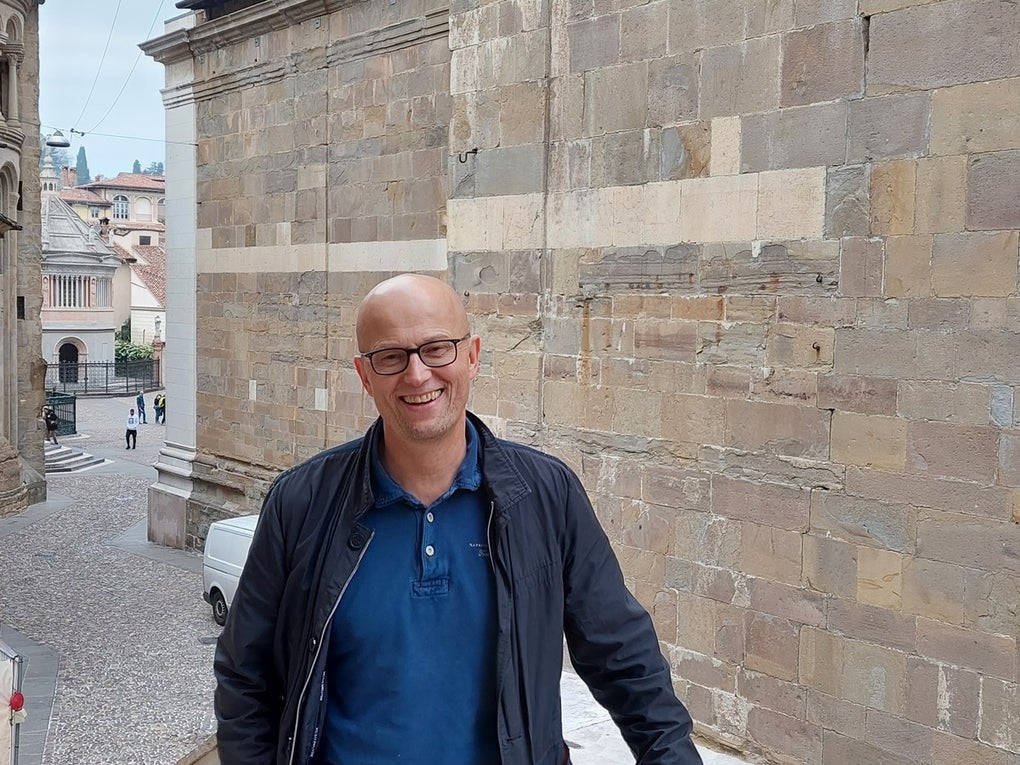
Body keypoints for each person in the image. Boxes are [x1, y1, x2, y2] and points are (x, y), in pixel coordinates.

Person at [214, 274, 703, 765]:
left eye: (436, 349)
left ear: (472, 355)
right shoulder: (301, 503)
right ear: (365, 376)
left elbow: (625, 661)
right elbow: (244, 677)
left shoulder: (546, 496)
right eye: (391, 356)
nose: (417, 374)